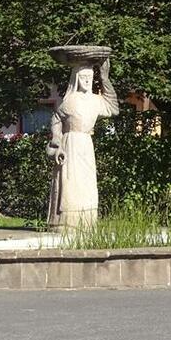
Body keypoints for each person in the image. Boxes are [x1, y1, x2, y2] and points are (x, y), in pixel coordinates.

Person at [46, 58, 119, 229]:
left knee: (87, 184)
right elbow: (56, 119)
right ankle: (68, 222)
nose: (86, 81)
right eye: (83, 77)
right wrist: (57, 139)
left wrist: (105, 79)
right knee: (71, 182)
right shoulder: (70, 101)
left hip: (86, 144)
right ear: (77, 79)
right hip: (70, 143)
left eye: (90, 77)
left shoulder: (96, 100)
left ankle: (86, 221)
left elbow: (113, 108)